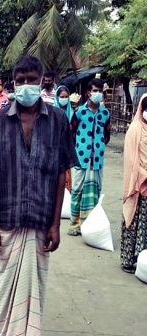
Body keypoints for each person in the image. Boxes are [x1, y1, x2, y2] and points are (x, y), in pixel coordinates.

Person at [0, 55, 77, 336]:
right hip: (8, 218)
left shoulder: (58, 120)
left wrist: (56, 224)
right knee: (5, 287)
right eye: (19, 80)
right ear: (13, 83)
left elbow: (62, 171)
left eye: (31, 79)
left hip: (42, 219)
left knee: (36, 290)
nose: (25, 86)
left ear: (42, 80)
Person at [68, 78, 111, 236]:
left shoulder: (105, 114)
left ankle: (89, 226)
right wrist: (79, 148)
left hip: (97, 160)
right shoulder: (79, 112)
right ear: (88, 93)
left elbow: (107, 136)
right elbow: (71, 133)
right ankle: (74, 225)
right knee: (77, 190)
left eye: (100, 91)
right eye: (95, 91)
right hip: (81, 158)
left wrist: (98, 146)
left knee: (95, 191)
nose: (98, 94)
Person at [120, 94, 147, 273]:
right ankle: (129, 260)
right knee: (133, 221)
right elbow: (131, 161)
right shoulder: (135, 130)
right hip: (137, 185)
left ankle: (143, 262)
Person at [54, 85, 74, 191]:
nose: (64, 99)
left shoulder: (72, 114)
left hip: (67, 152)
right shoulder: (52, 114)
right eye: (62, 97)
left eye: (66, 96)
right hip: (54, 151)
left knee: (66, 183)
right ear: (57, 97)